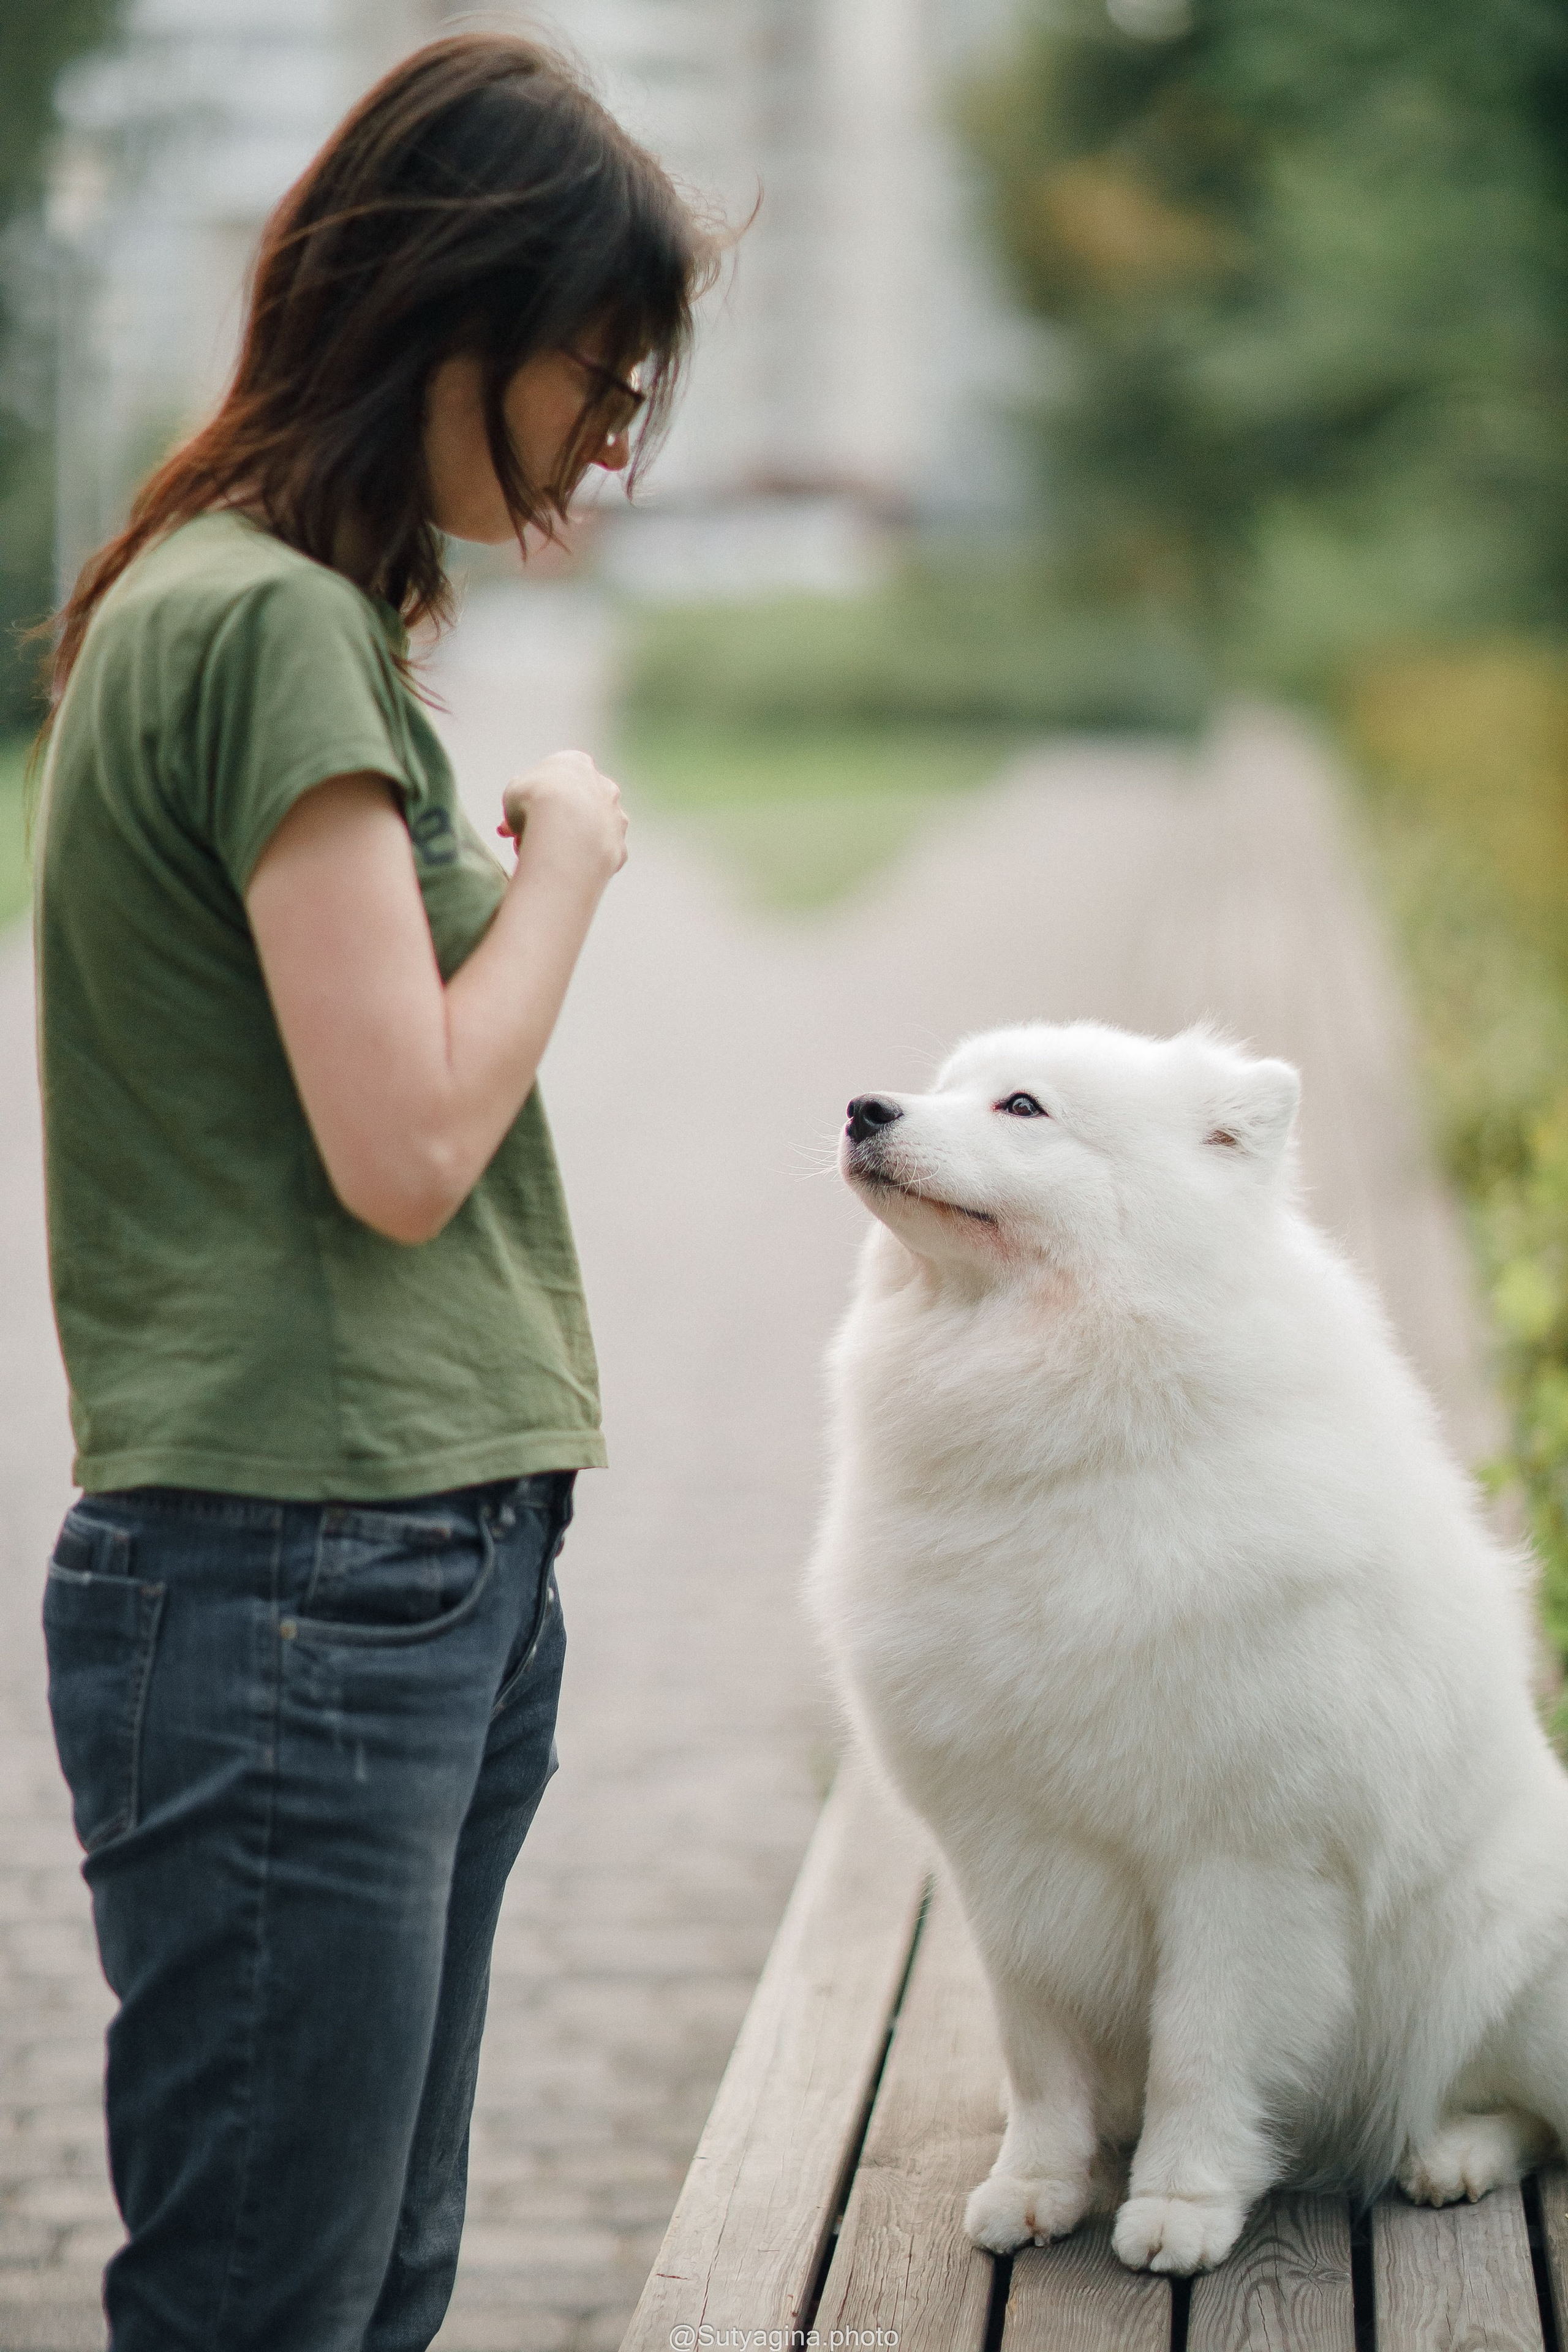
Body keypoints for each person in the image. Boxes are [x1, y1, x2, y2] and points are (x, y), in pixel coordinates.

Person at [32, 34, 714, 2351]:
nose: (610, 443)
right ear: (454, 308)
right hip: (307, 1578)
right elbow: (407, 1145)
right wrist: (572, 866)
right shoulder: (264, 624)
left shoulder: (253, 606)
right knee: (275, 2309)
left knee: (363, 2291)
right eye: (596, 380)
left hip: (390, 1562)